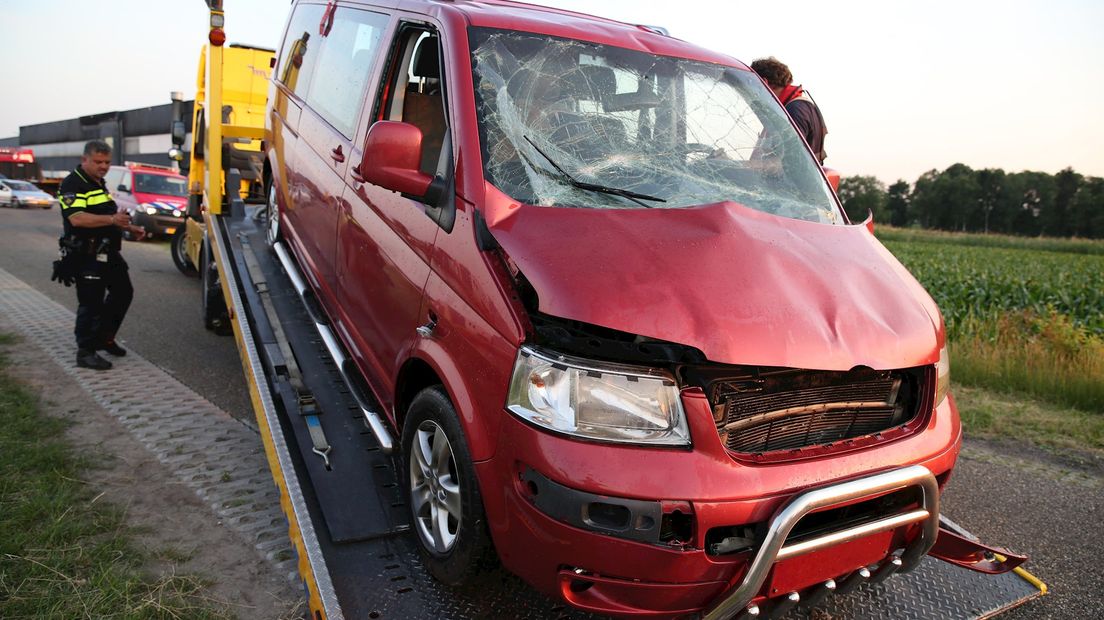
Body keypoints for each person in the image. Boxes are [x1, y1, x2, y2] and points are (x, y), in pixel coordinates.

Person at [56, 140, 145, 370]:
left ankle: (105, 338)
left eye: (106, 162)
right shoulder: (73, 183)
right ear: (84, 159)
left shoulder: (99, 182)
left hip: (107, 252)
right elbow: (77, 218)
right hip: (86, 254)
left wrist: (128, 227)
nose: (103, 166)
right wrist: (113, 220)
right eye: (97, 162)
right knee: (91, 303)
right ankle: (85, 352)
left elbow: (107, 214)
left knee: (123, 293)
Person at [750, 57, 828, 164]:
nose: (751, 93)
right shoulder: (797, 106)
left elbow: (786, 165)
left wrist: (733, 166)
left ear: (763, 82)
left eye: (750, 83)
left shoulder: (794, 110)